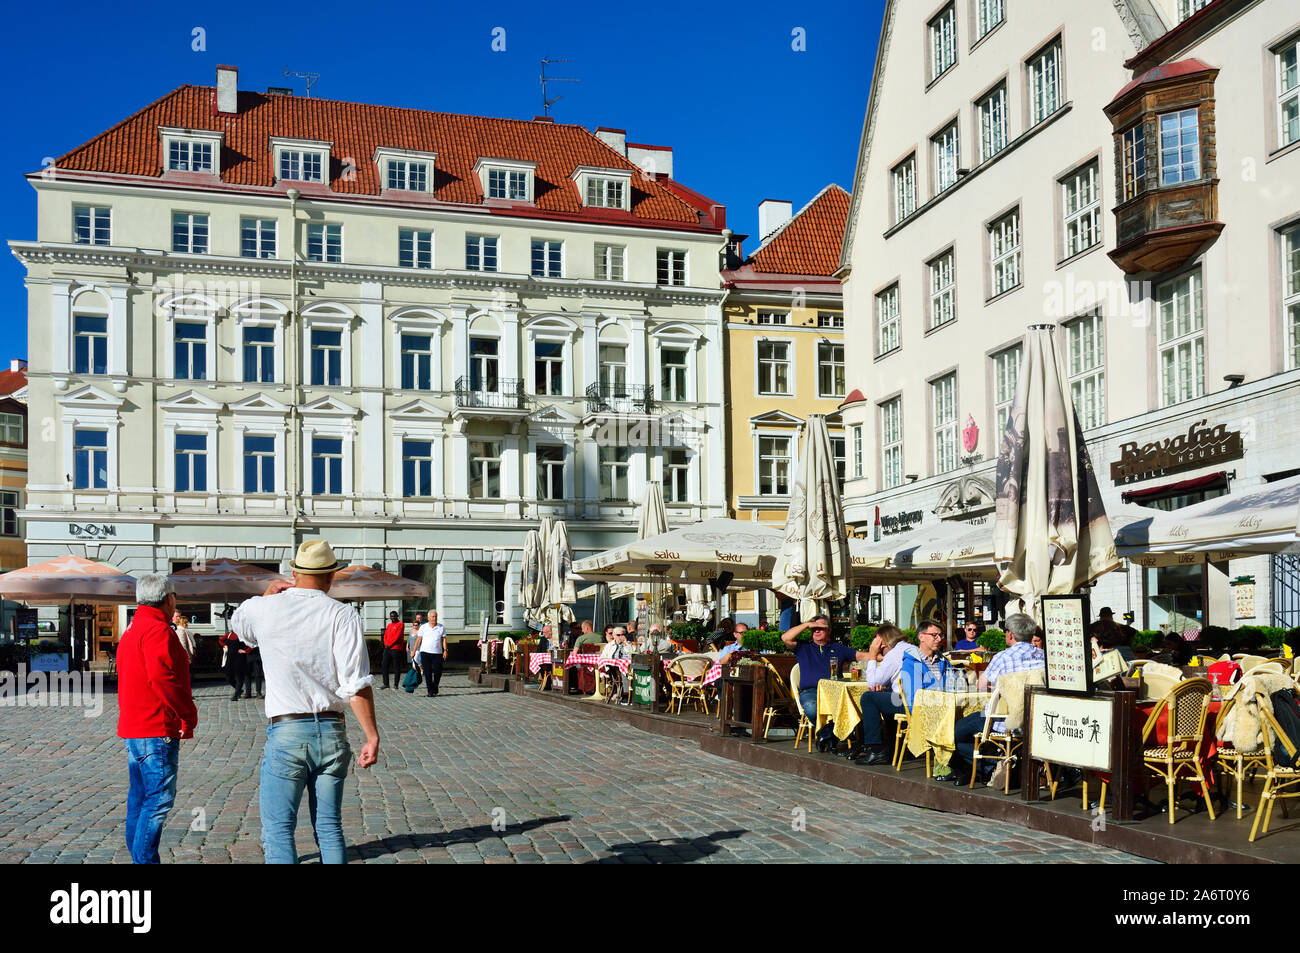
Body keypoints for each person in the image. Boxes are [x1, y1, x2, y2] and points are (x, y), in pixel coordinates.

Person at [230, 539, 379, 865]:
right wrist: (371, 736)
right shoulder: (343, 615)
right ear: (331, 576)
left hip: (287, 733)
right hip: (332, 731)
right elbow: (355, 684)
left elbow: (239, 625)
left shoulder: (263, 608)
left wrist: (267, 595)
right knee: (329, 828)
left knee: (279, 830)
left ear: (294, 572)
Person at [117, 574, 198, 864]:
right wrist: (187, 714)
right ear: (168, 599)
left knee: (140, 800)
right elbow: (163, 679)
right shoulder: (157, 630)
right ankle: (144, 860)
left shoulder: (132, 629)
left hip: (135, 726)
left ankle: (139, 858)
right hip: (156, 726)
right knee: (158, 800)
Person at [950, 613, 1045, 785]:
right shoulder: (1044, 656)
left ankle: (994, 766)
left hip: (1003, 721)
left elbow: (981, 685)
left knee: (954, 732)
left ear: (1010, 634)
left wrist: (1000, 686)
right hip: (1036, 721)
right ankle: (1006, 763)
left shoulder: (1003, 657)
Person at [853, 623, 952, 765]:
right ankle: (898, 749)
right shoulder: (912, 649)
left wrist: (872, 656)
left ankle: (876, 750)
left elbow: (873, 682)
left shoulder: (896, 653)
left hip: (911, 702)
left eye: (877, 643)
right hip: (918, 698)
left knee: (868, 698)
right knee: (884, 696)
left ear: (883, 642)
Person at [781, 616, 870, 751]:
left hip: (835, 691)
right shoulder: (803, 647)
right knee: (812, 708)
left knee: (855, 706)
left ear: (828, 630)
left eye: (821, 628)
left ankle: (827, 736)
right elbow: (785, 638)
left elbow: (862, 656)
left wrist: (885, 656)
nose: (817, 631)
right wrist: (807, 624)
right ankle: (830, 734)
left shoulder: (838, 648)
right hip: (811, 691)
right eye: (814, 628)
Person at [414, 610, 448, 697]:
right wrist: (413, 651)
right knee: (427, 672)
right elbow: (418, 640)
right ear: (428, 618)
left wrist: (445, 650)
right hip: (425, 652)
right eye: (432, 616)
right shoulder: (423, 627)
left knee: (438, 672)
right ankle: (430, 691)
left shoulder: (441, 627)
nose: (434, 618)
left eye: (436, 616)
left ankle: (435, 686)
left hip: (437, 653)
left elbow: (444, 639)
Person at [380, 611, 407, 689]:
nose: (393, 618)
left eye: (394, 616)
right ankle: (386, 683)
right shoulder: (389, 625)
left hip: (396, 648)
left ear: (397, 616)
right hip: (387, 649)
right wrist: (385, 643)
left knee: (396, 667)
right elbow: (385, 635)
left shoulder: (400, 624)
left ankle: (396, 684)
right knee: (384, 665)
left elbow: (397, 636)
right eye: (391, 616)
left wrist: (389, 644)